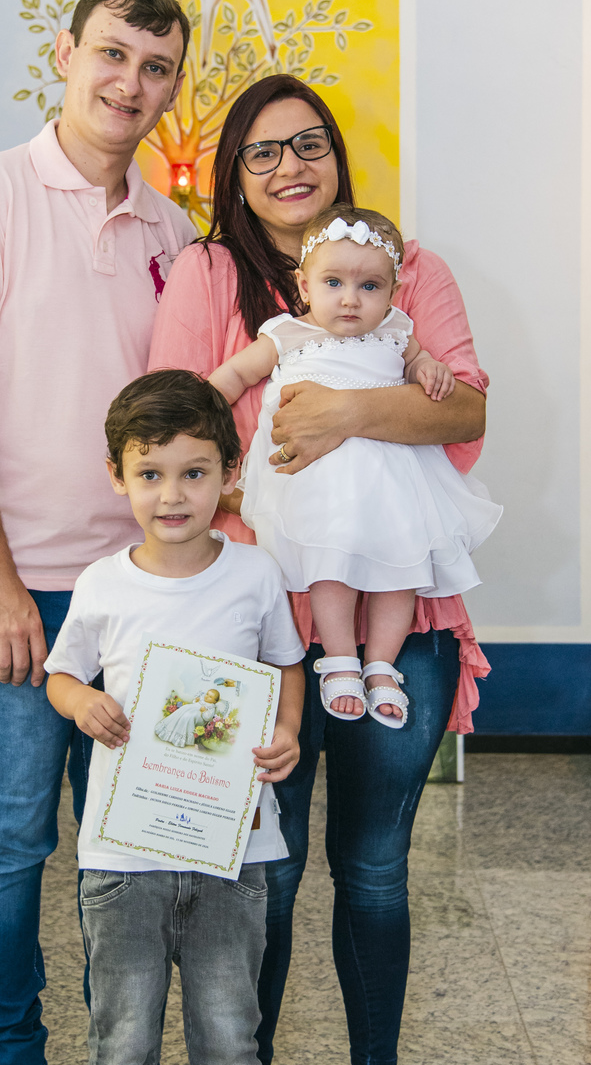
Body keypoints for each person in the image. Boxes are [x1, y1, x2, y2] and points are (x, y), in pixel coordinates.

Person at [149, 73, 490, 1065]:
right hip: (255, 622)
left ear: (338, 155)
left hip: (402, 610)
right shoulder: (211, 277)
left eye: (309, 144)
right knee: (268, 869)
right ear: (235, 175)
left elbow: (466, 406)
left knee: (376, 867)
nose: (289, 166)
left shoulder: (410, 268)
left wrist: (344, 411)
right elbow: (174, 420)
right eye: (262, 151)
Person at [0, 0, 205, 1065]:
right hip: (15, 586)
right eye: (112, 54)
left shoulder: (172, 231)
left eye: (156, 66)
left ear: (174, 85)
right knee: (6, 847)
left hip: (136, 592)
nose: (130, 83)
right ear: (65, 54)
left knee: (130, 855)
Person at [44, 371, 305, 1065]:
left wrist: (286, 731)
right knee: (121, 1049)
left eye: (194, 473)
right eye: (150, 474)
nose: (172, 495)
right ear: (118, 477)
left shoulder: (256, 574)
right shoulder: (101, 584)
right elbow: (60, 674)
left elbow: (285, 665)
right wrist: (83, 705)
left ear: (229, 475)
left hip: (236, 852)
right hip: (124, 859)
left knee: (232, 1044)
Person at [210, 204, 501, 725]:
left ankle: (382, 664)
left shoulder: (397, 332)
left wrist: (429, 368)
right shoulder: (286, 333)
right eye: (333, 283)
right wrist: (199, 414)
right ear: (304, 285)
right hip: (317, 485)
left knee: (402, 568)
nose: (350, 298)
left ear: (392, 292)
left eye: (369, 286)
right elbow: (231, 378)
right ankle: (341, 657)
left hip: (391, 480)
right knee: (329, 565)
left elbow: (422, 365)